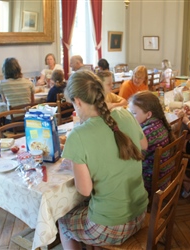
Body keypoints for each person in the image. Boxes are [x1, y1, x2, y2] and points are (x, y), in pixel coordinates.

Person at [58, 71, 148, 248]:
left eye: (73, 105)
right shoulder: (125, 114)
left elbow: (84, 190)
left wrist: (75, 167)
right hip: (140, 212)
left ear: (78, 101)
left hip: (111, 226)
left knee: (62, 220)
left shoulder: (78, 135)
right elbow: (144, 145)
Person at [129, 91, 190, 198]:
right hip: (163, 177)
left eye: (134, 113)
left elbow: (132, 158)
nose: (131, 117)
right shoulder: (159, 123)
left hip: (150, 181)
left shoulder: (147, 133)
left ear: (148, 114)